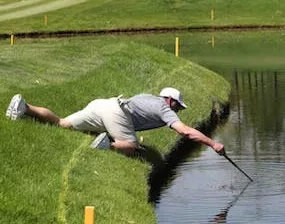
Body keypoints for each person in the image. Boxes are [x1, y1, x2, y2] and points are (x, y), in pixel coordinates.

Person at [6, 87, 225, 156]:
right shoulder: (163, 108)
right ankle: (106, 145)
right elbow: (185, 131)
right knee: (131, 147)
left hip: (101, 104)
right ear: (168, 99)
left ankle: (25, 107)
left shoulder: (146, 97)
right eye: (177, 105)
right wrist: (213, 144)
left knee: (62, 124)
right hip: (115, 113)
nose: (177, 109)